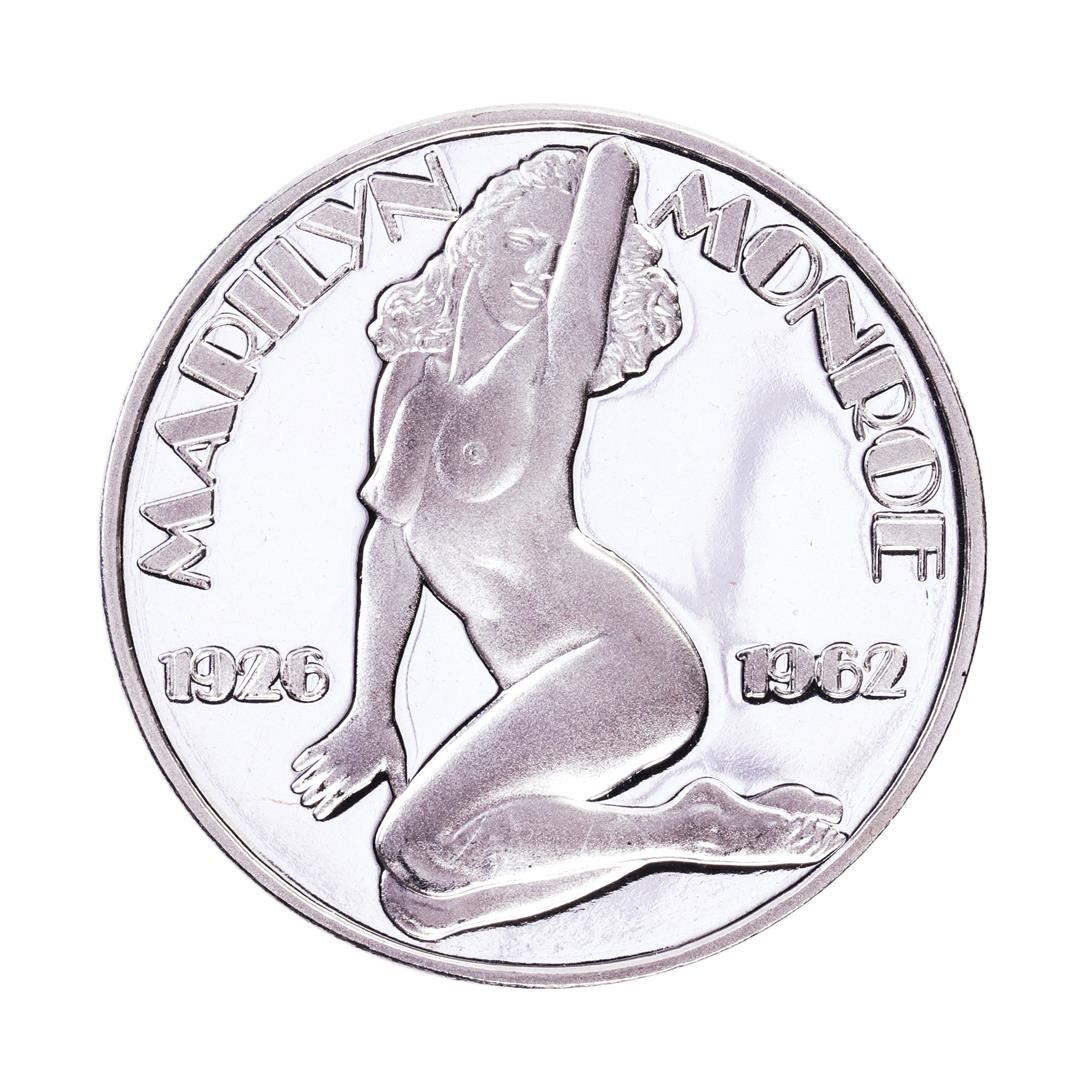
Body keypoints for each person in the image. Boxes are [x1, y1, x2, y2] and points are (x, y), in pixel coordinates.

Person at [291, 138, 846, 940]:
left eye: (559, 259)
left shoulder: (550, 364)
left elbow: (597, 223)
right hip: (544, 687)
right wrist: (370, 711)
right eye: (520, 242)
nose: (536, 271)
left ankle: (691, 831)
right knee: (416, 903)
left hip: (623, 663)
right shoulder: (412, 378)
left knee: (411, 842)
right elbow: (391, 544)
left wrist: (609, 155)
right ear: (476, 240)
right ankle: (685, 827)